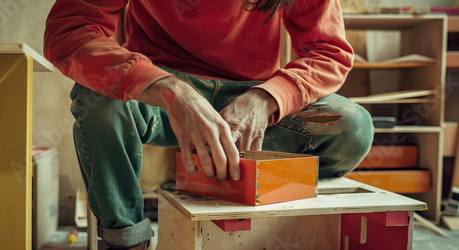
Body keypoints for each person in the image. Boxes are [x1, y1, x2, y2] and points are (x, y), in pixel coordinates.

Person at [44, 0, 374, 249]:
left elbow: (328, 51)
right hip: (159, 93)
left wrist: (265, 99)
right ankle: (126, 240)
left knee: (352, 126)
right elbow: (72, 32)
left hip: (250, 95)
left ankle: (265, 209)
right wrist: (172, 91)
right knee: (97, 97)